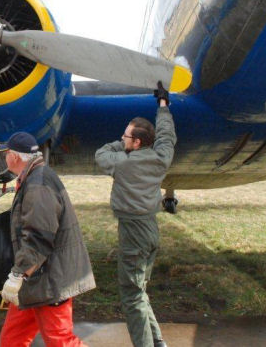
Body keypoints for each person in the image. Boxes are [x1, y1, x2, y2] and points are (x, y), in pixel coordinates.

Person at [94, 81, 175, 347]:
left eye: (126, 136)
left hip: (133, 233)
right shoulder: (161, 156)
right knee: (139, 291)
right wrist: (163, 105)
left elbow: (101, 154)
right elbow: (166, 135)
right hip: (150, 230)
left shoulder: (123, 163)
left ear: (137, 142)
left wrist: (120, 145)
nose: (122, 138)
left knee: (131, 296)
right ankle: (158, 342)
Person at [0, 132, 96, 347]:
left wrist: (18, 275)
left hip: (50, 280)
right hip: (35, 280)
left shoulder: (38, 184)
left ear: (14, 157)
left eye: (6, 153)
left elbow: (38, 237)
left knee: (60, 341)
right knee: (12, 339)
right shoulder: (34, 177)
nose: (4, 157)